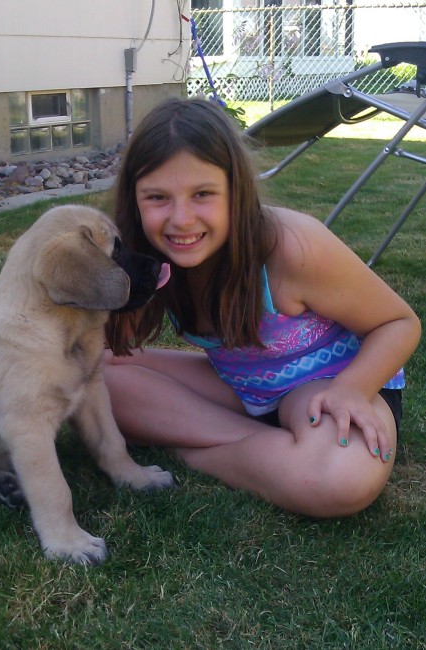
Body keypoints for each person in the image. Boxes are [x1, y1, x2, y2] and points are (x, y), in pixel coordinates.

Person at [104, 96, 421, 518]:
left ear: (236, 190)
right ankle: (262, 447)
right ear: (134, 200)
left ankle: (194, 448)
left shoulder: (292, 246)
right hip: (239, 385)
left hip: (327, 386)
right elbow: (109, 348)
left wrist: (351, 389)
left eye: (202, 194)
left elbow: (399, 322)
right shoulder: (149, 256)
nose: (181, 219)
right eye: (157, 198)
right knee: (88, 376)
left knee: (338, 478)